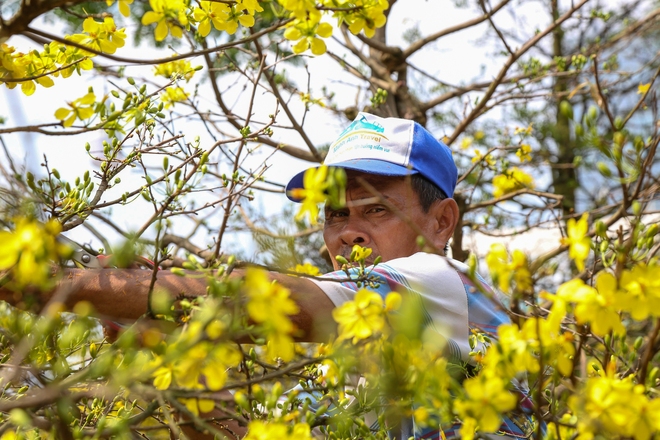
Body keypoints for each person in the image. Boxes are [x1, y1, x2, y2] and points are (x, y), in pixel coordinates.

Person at [0, 112, 532, 438]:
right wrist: (176, 360)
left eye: (375, 210)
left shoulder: (434, 282)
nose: (348, 233)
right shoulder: (347, 372)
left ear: (442, 223)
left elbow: (267, 298)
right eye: (336, 215)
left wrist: (56, 285)